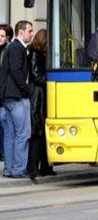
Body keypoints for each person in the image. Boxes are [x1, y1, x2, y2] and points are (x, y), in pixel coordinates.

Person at [0, 20, 33, 178]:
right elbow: (16, 70)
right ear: (21, 32)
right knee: (23, 133)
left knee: (10, 134)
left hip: (8, 97)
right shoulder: (17, 48)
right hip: (17, 97)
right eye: (29, 31)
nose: (31, 34)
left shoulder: (11, 47)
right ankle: (19, 168)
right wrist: (26, 89)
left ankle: (9, 168)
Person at [27, 29, 54, 178]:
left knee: (43, 133)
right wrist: (49, 81)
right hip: (38, 95)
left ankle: (45, 167)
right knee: (37, 133)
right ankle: (35, 167)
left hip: (41, 94)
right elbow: (36, 74)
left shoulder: (38, 53)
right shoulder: (35, 52)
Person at [0, 24, 14, 162]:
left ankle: (5, 155)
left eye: (2, 36)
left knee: (4, 125)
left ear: (8, 38)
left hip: (3, 95)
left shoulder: (8, 51)